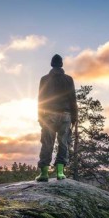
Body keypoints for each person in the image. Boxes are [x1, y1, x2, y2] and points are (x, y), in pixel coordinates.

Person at [35, 54, 78, 182]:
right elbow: (73, 100)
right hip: (65, 115)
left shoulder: (44, 79)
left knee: (47, 142)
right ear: (62, 64)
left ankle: (44, 174)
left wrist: (40, 117)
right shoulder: (68, 79)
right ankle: (60, 173)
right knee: (63, 142)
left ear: (51, 64)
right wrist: (74, 118)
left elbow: (40, 100)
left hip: (48, 115)